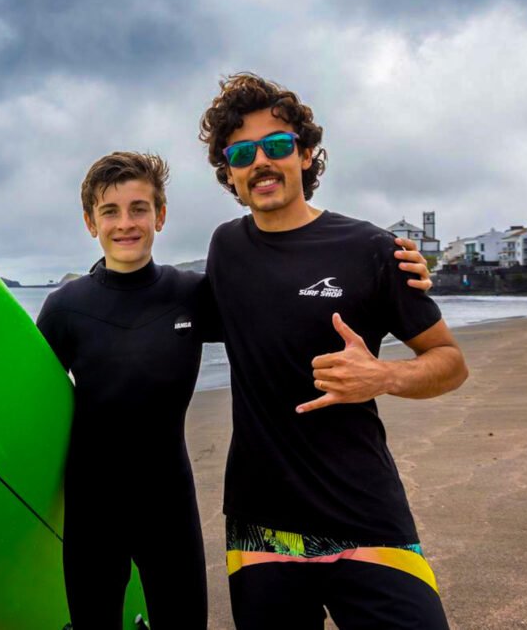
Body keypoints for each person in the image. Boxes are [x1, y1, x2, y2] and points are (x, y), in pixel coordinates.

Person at [36, 151, 433, 628]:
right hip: (92, 506)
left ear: (160, 216)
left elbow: (280, 305)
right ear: (89, 222)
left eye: (139, 208)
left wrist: (393, 274)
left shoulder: (192, 295)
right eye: (110, 212)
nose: (126, 223)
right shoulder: (64, 309)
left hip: (169, 503)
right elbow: (31, 399)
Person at [199, 73, 468, 629]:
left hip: (364, 513)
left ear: (306, 154)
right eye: (242, 152)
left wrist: (384, 377)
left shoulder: (372, 249)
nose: (262, 162)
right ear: (229, 171)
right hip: (261, 524)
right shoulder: (226, 247)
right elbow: (161, 308)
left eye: (277, 145)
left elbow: (449, 361)